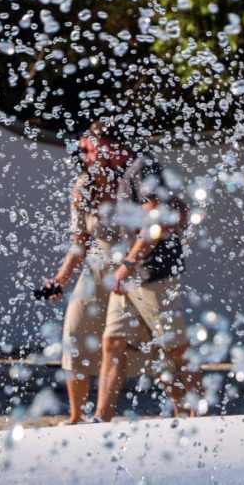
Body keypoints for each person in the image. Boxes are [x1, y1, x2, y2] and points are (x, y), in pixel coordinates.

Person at [82, 121, 203, 422]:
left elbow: (154, 222)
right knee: (113, 342)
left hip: (152, 273)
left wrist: (127, 264)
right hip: (134, 274)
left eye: (90, 148)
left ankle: (199, 415)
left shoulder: (142, 168)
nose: (87, 154)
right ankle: (101, 417)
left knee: (174, 348)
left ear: (107, 145)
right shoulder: (127, 171)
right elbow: (177, 209)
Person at [43, 124, 151, 424]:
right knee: (75, 338)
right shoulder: (83, 188)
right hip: (94, 274)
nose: (85, 155)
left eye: (90, 148)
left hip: (131, 275)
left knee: (124, 347)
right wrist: (59, 281)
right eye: (84, 149)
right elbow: (79, 244)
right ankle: (76, 417)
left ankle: (106, 417)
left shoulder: (132, 182)